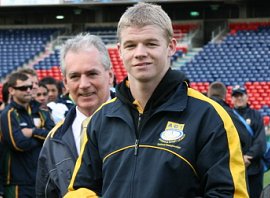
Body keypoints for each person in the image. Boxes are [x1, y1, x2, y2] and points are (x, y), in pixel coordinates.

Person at [65, 3, 248, 198]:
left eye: (151, 43)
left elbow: (228, 194)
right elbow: (82, 190)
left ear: (171, 47)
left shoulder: (209, 116)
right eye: (131, 45)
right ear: (119, 51)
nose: (140, 53)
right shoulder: (102, 118)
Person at [36, 33, 115, 198]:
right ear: (65, 83)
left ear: (110, 76)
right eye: (75, 76)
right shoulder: (53, 140)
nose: (84, 85)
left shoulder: (137, 125)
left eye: (92, 74)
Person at [0, 72, 55, 197]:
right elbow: (19, 144)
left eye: (30, 87)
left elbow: (52, 137)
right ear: (11, 90)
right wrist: (41, 137)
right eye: (23, 88)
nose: (29, 90)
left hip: (42, 179)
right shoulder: (8, 114)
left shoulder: (41, 112)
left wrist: (33, 132)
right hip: (18, 183)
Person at [231, 85, 267, 198]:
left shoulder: (256, 115)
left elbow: (260, 141)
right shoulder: (229, 115)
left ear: (247, 96)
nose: (239, 98)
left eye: (241, 95)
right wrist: (239, 158)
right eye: (236, 95)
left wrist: (248, 156)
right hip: (235, 167)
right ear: (231, 99)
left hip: (254, 167)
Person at [207, 81, 252, 154]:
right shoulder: (227, 112)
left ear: (209, 94)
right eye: (236, 96)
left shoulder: (197, 110)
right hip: (222, 158)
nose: (239, 98)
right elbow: (244, 138)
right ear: (224, 95)